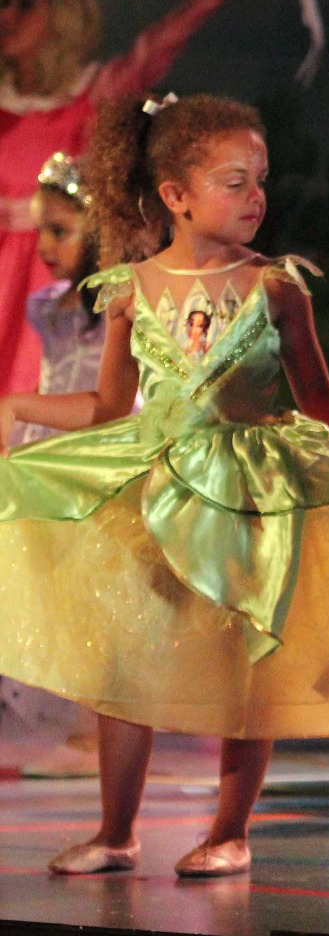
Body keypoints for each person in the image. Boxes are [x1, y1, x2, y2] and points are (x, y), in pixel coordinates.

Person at [0, 93, 329, 877]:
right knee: (125, 663)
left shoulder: (276, 288)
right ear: (175, 195)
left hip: (251, 491)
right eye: (235, 181)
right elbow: (105, 407)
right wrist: (19, 406)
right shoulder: (130, 291)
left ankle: (230, 829)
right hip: (153, 488)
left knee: (245, 664)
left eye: (260, 180)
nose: (255, 196)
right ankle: (117, 830)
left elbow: (318, 395)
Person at [0, 0, 279, 395]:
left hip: (51, 272)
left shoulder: (92, 94)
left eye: (24, 5)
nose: (6, 16)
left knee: (32, 396)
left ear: (63, 17)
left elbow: (159, 46)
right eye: (3, 3)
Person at [0, 153, 105, 776]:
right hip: (48, 451)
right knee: (56, 591)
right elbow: (48, 375)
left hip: (94, 451)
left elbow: (117, 393)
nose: (43, 246)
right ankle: (74, 726)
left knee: (94, 589)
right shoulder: (48, 306)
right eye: (41, 230)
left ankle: (97, 731)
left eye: (60, 230)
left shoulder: (122, 303)